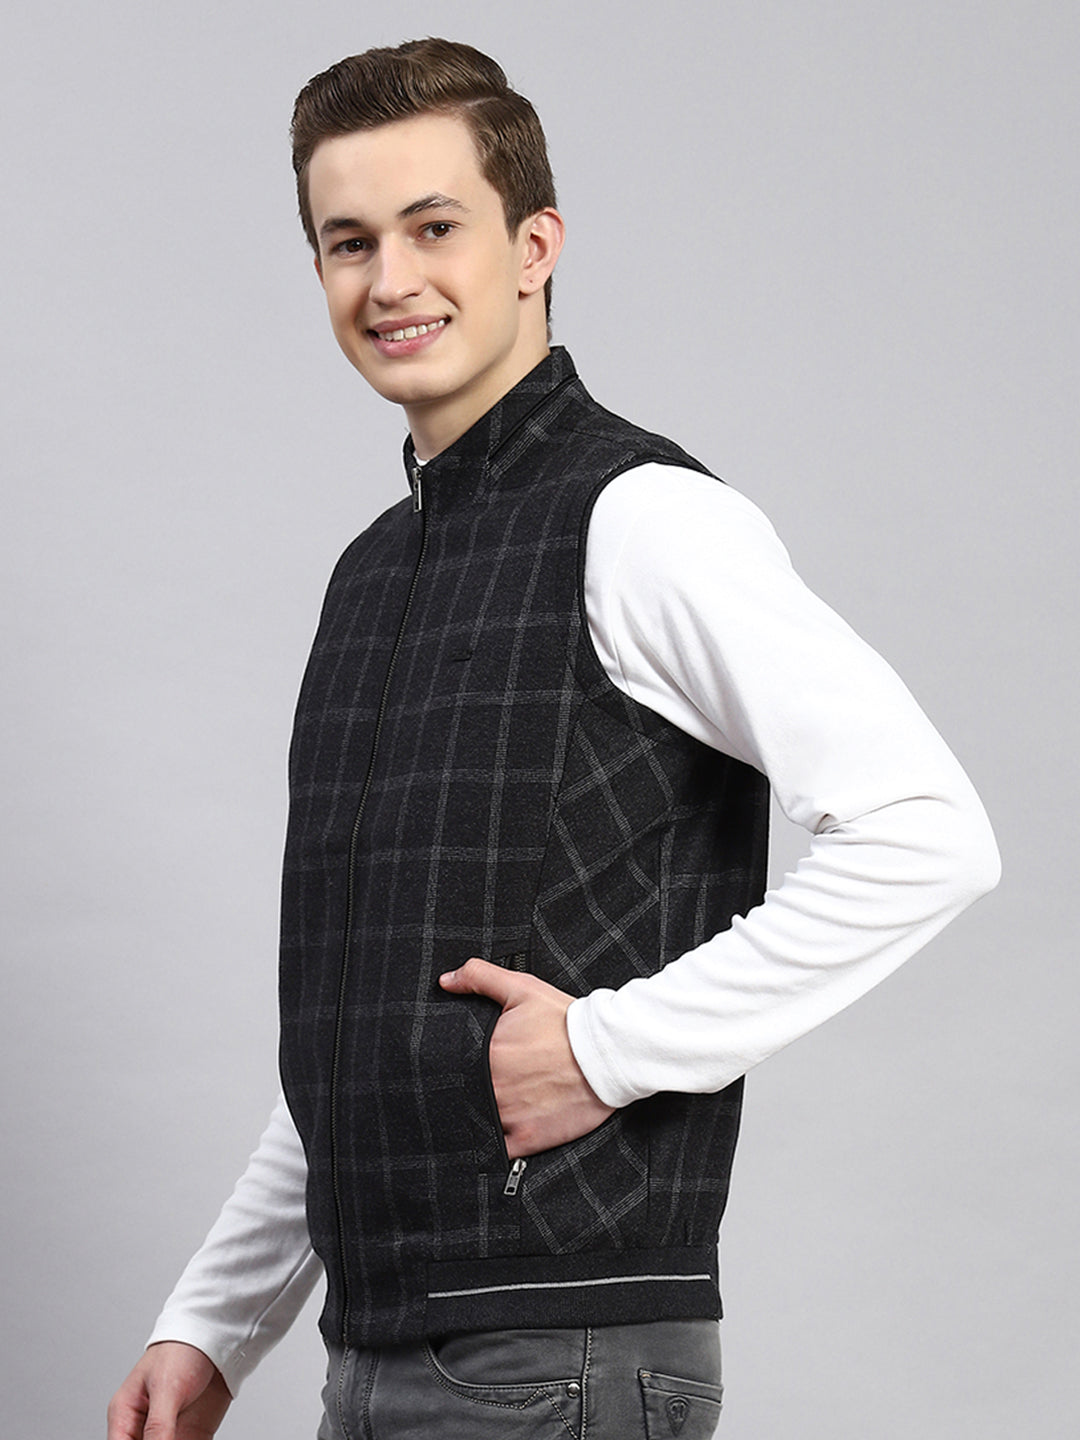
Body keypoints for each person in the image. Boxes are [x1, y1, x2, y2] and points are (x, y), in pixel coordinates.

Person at [107, 38, 1000, 1440]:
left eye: (434, 227)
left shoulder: (644, 521)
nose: (390, 280)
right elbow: (370, 1026)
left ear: (535, 246)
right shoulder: (371, 577)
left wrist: (607, 1048)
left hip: (561, 1359)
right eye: (350, 242)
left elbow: (930, 834)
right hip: (381, 1356)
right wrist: (213, 1324)